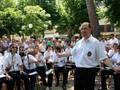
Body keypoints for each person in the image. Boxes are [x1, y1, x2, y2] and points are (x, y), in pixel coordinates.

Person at [58, 22, 120, 90]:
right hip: (78, 70)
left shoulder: (95, 42)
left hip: (90, 71)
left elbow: (104, 58)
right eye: (82, 29)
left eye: (85, 28)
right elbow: (71, 52)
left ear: (90, 29)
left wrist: (114, 67)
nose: (83, 30)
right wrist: (60, 55)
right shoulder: (79, 42)